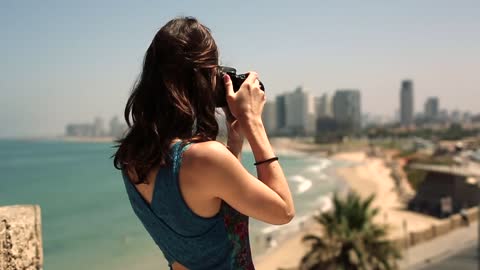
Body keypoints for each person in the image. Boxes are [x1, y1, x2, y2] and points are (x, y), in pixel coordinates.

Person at [112, 17, 295, 270]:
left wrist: (235, 142)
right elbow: (283, 210)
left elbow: (214, 201)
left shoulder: (132, 159)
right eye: (213, 71)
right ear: (201, 78)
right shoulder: (205, 159)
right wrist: (253, 122)